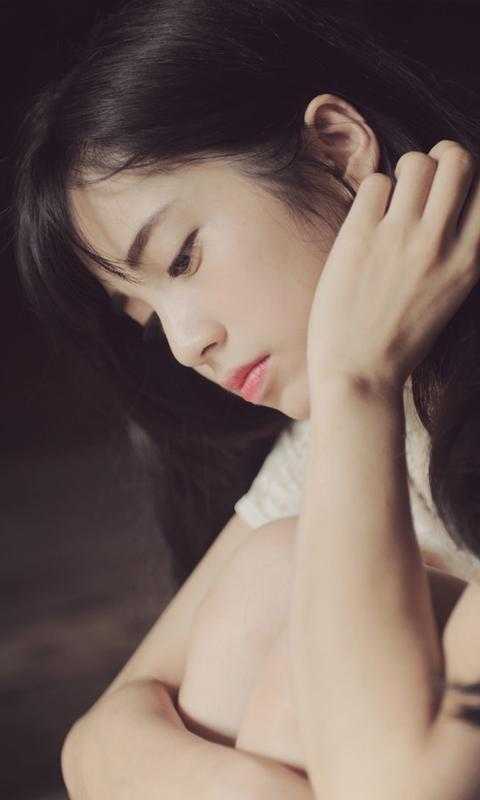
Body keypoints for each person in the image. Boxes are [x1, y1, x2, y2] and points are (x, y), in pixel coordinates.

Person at [11, 0, 480, 796]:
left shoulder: (359, 401)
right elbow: (96, 745)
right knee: (276, 574)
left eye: (183, 258)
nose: (183, 343)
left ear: (336, 149)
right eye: (146, 316)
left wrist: (357, 382)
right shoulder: (349, 430)